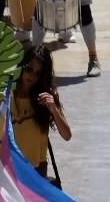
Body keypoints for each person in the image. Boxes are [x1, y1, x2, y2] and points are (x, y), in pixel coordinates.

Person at [11, 45, 73, 181]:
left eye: (38, 73)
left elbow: (67, 135)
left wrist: (54, 109)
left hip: (36, 170)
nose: (32, 76)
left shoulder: (45, 98)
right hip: (10, 168)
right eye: (29, 69)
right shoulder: (7, 95)